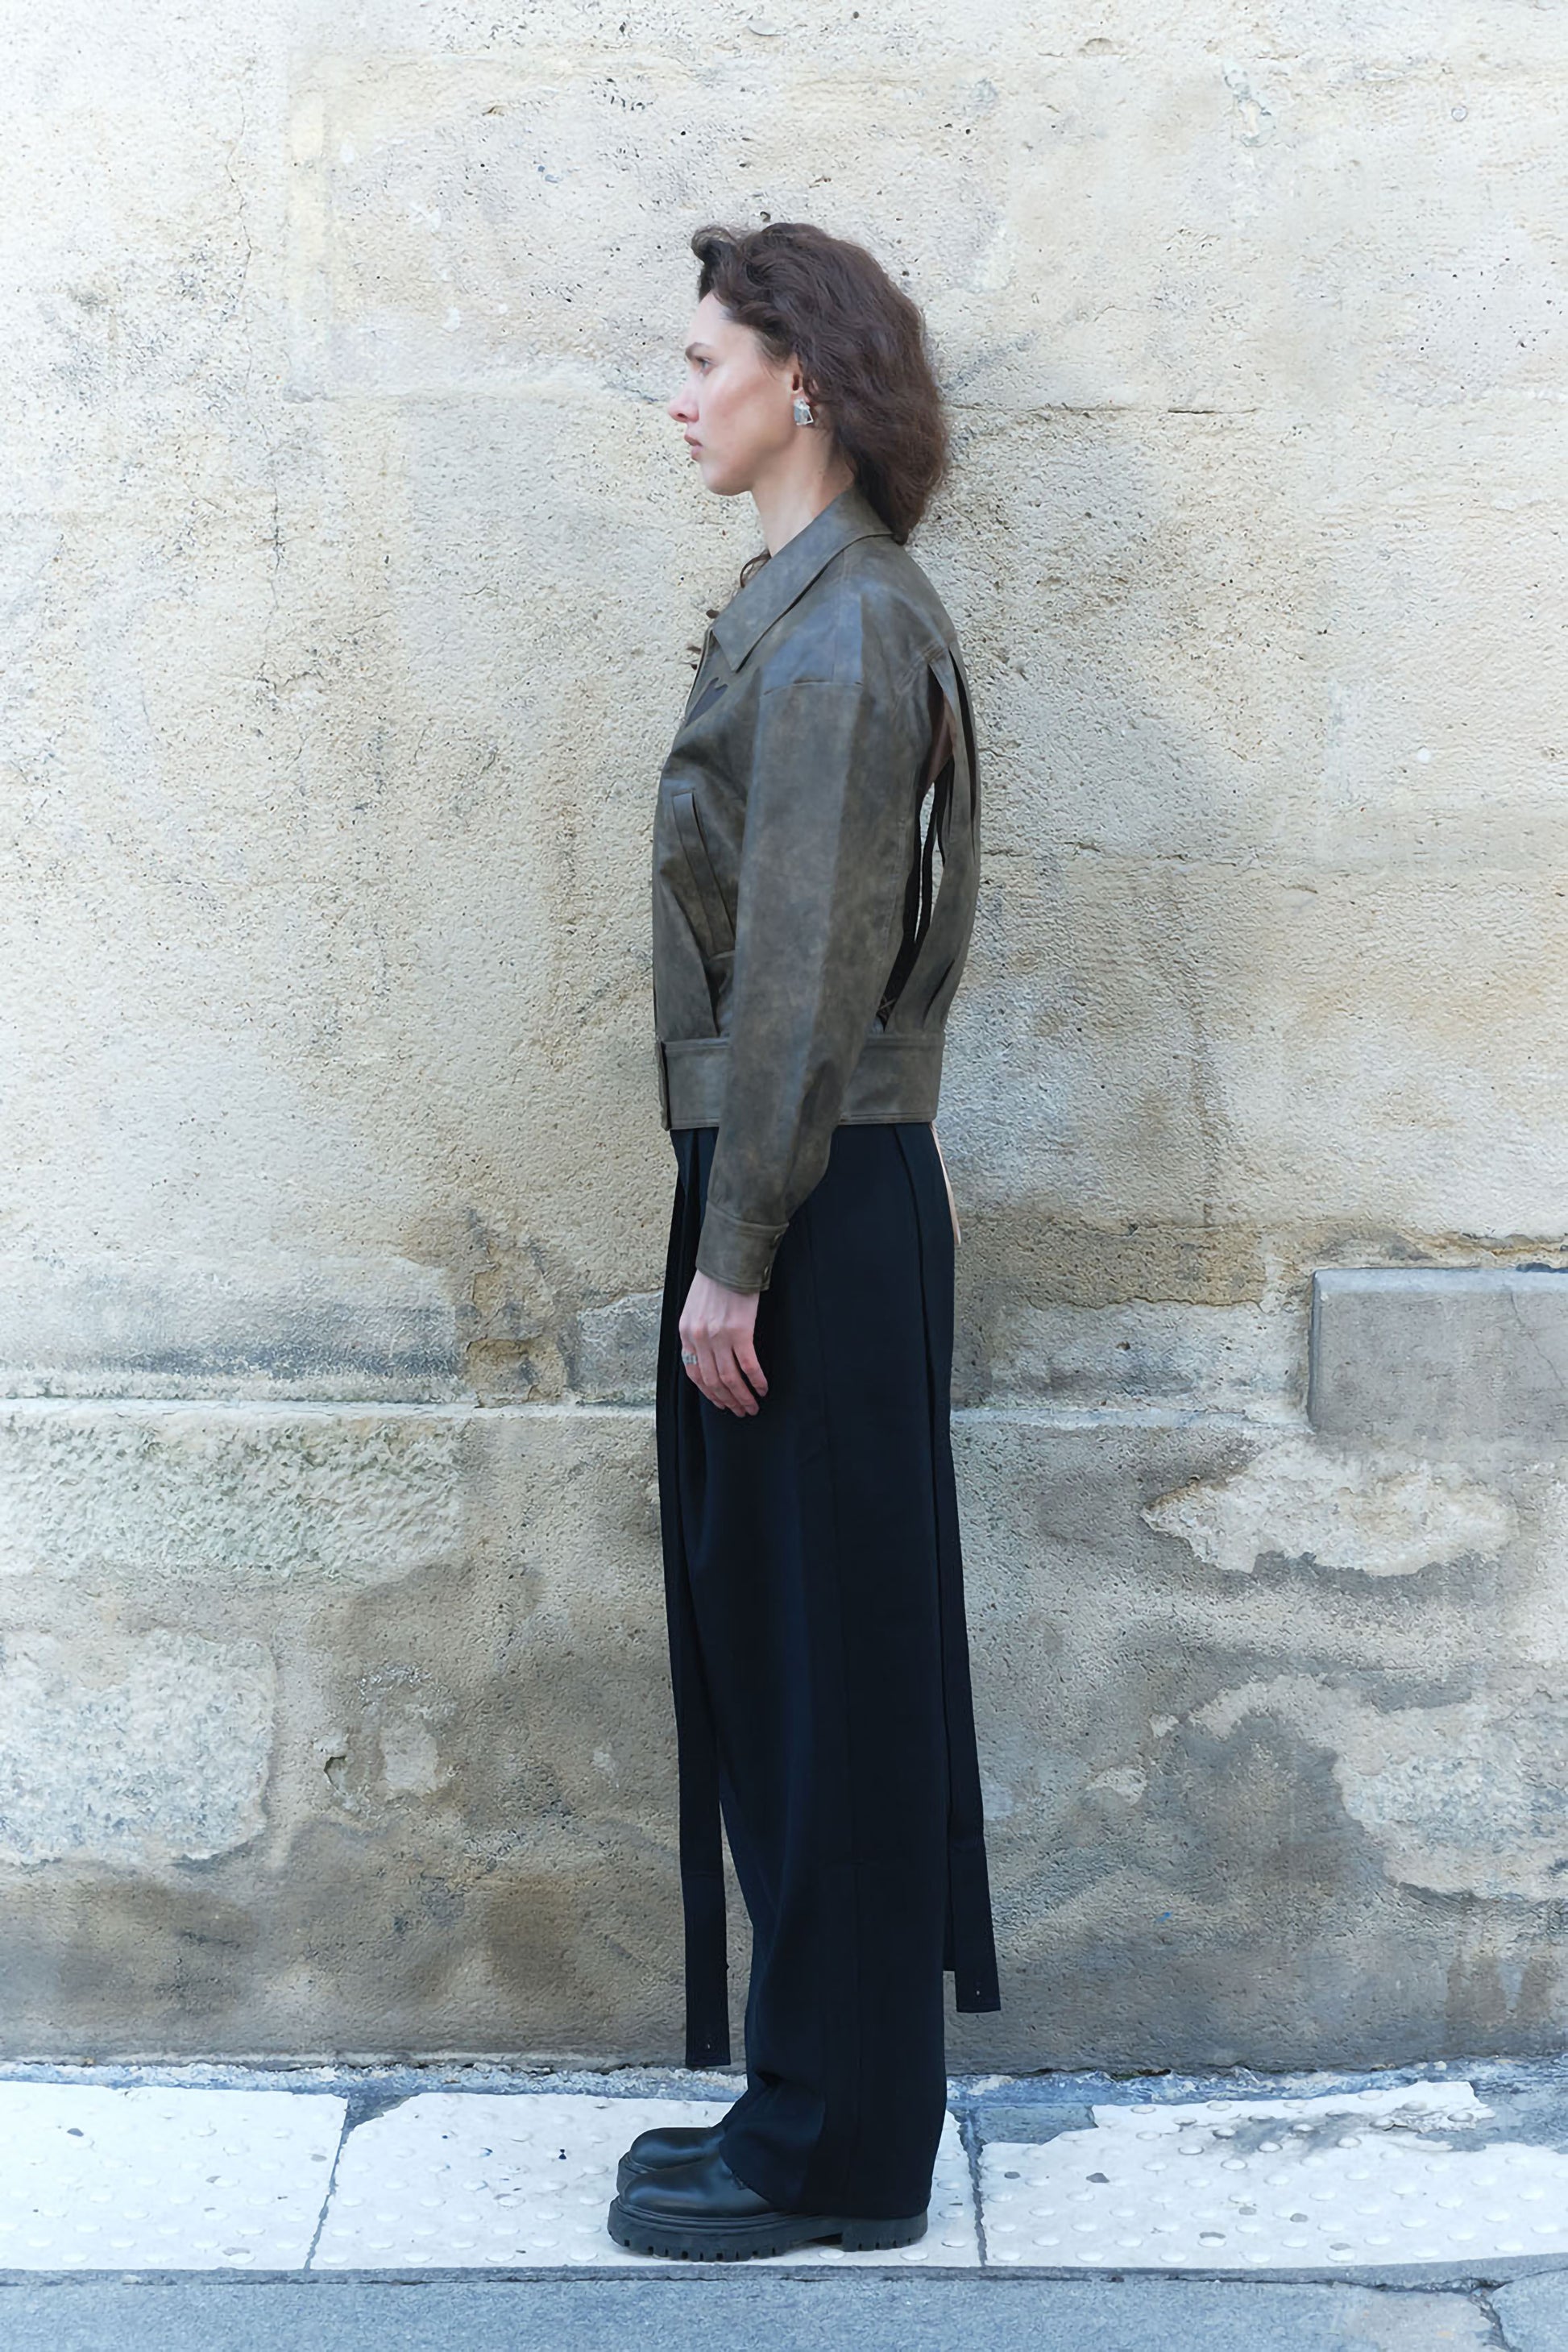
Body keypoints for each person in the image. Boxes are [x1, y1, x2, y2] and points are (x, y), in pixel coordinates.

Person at [606, 220, 1001, 2264]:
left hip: (810, 1197)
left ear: (805, 383)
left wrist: (739, 1247)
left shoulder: (845, 629)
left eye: (704, 361)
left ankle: (840, 2150)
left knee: (826, 1675)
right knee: (796, 1659)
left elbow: (801, 981)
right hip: (794, 1188)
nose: (677, 395)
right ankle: (812, 2101)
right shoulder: (801, 608)